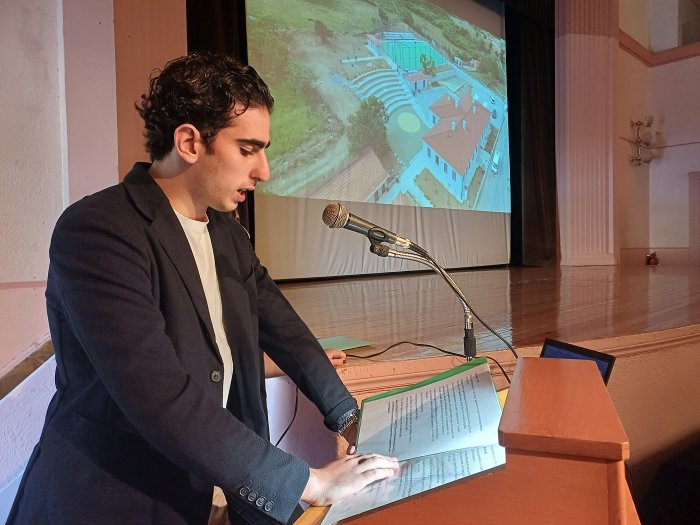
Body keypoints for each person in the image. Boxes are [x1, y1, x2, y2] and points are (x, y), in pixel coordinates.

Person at [8, 53, 398, 525]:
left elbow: (286, 331)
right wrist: (309, 482)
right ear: (190, 142)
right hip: (108, 502)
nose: (264, 171)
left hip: (190, 498)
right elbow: (160, 394)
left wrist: (349, 418)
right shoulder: (99, 230)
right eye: (248, 150)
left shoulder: (227, 234)